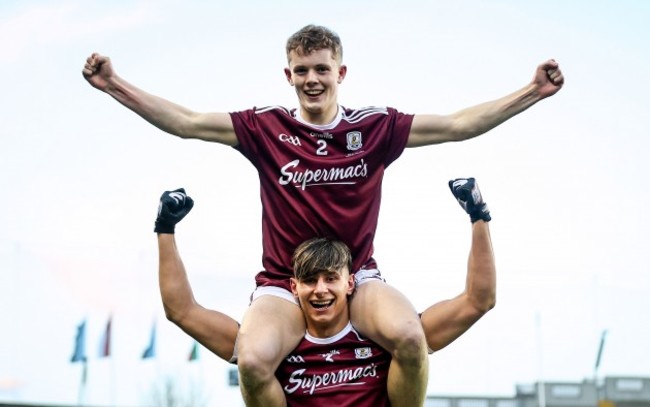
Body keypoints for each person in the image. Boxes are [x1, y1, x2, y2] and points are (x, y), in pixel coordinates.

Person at [84, 24, 561, 406]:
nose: (312, 79)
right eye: (301, 70)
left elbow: (459, 125)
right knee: (251, 361)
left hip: (358, 275)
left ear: (341, 72)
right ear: (287, 76)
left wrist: (532, 92)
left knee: (411, 339)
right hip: (283, 284)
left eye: (321, 69)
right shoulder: (266, 127)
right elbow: (186, 123)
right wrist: (112, 85)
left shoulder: (374, 128)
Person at [155, 177, 496, 406]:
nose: (320, 290)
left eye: (330, 279)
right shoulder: (271, 343)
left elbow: (478, 300)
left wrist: (478, 215)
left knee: (412, 341)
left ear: (350, 283)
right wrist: (165, 228)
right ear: (293, 287)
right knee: (251, 363)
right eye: (309, 281)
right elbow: (181, 311)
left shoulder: (385, 334)